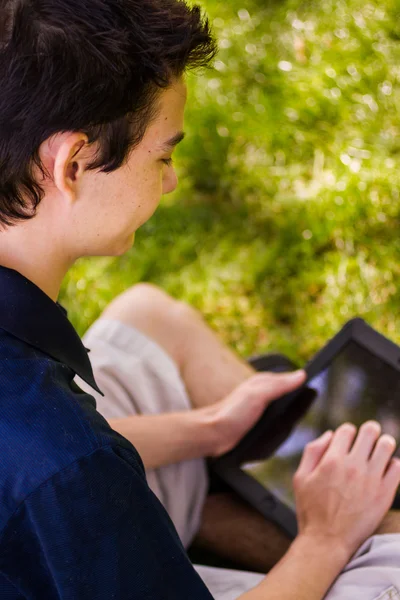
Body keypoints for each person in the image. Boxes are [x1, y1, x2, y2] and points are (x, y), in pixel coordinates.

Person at [0, 0, 400, 599]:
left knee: (148, 316)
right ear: (73, 164)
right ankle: (341, 524)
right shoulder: (72, 459)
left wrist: (208, 429)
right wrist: (327, 537)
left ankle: (243, 492)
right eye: (163, 153)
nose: (171, 179)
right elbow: (61, 470)